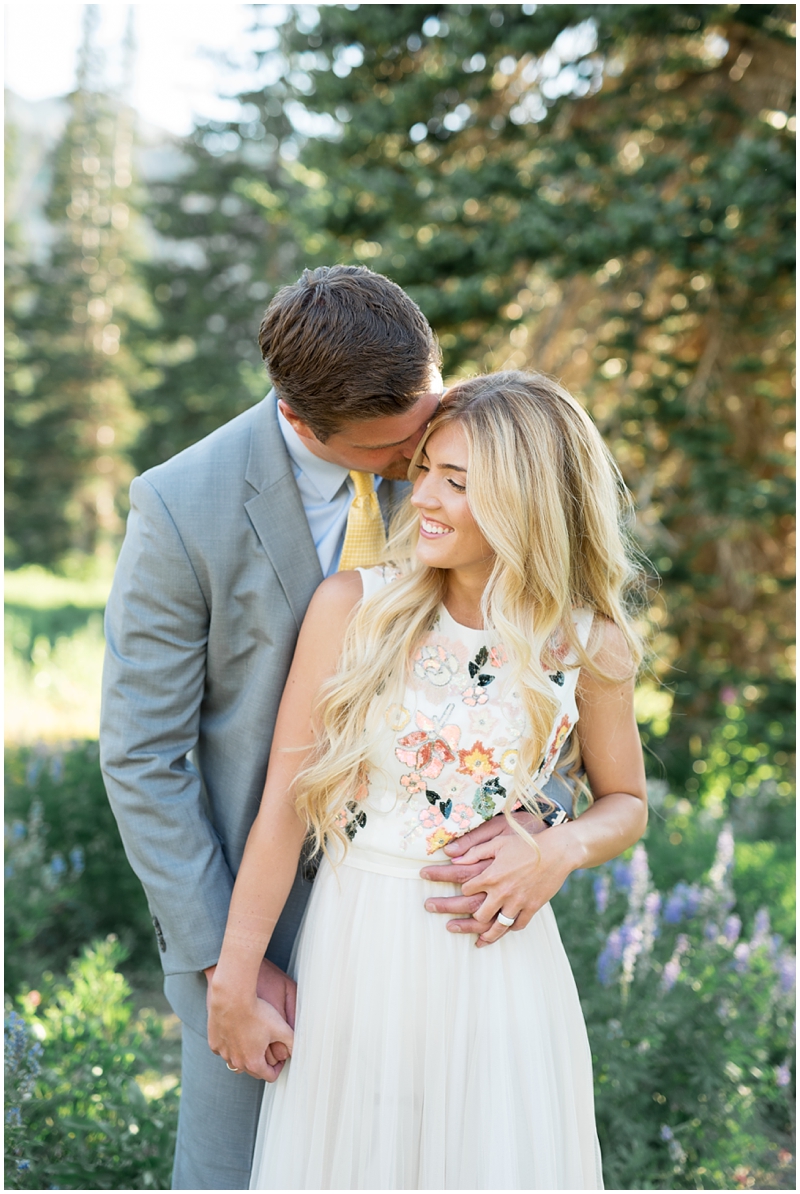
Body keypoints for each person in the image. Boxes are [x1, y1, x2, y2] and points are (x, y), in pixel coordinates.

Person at [99, 268, 573, 1190]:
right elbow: (142, 756)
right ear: (306, 420)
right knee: (235, 1174)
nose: (424, 456)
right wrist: (220, 968)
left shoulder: (461, 452)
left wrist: (540, 821)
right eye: (399, 446)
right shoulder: (179, 506)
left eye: (431, 409)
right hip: (248, 926)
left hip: (436, 926)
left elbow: (536, 661)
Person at [207, 370, 649, 1190]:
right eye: (427, 472)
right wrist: (234, 976)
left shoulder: (589, 644)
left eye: (458, 482)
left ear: (527, 503)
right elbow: (283, 810)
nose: (425, 500)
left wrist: (558, 850)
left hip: (500, 969)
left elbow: (626, 803)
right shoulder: (353, 608)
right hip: (358, 955)